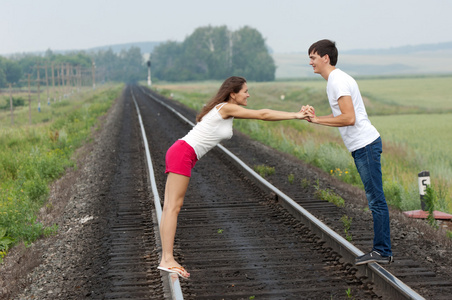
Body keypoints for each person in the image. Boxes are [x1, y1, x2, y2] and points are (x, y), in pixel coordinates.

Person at [158, 76, 311, 279]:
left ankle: (167, 258)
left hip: (182, 152)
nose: (249, 94)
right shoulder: (226, 108)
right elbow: (262, 114)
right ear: (233, 94)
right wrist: (296, 115)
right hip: (183, 153)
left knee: (171, 206)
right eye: (245, 91)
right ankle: (167, 259)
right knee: (172, 207)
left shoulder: (223, 109)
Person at [304, 40, 393, 265]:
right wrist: (318, 118)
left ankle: (382, 251)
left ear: (326, 58)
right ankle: (382, 250)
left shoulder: (337, 81)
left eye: (313, 57)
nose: (310, 62)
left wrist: (317, 120)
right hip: (362, 146)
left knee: (376, 200)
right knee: (375, 198)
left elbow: (349, 118)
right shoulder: (335, 80)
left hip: (365, 145)